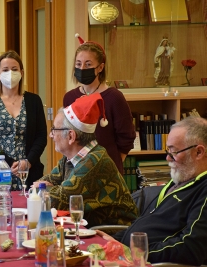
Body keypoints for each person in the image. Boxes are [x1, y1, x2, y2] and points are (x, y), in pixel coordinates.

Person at [97, 116, 207, 265]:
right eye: (167, 150)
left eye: (173, 152)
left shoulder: (203, 189)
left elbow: (191, 248)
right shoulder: (182, 180)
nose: (168, 158)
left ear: (199, 152)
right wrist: (113, 240)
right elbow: (148, 224)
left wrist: (131, 252)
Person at [34, 94, 138, 228]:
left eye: (54, 129)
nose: (51, 135)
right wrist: (47, 188)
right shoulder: (70, 158)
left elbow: (54, 201)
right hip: (90, 228)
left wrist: (46, 188)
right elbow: (41, 186)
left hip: (115, 233)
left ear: (71, 136)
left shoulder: (95, 162)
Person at [63, 33, 135, 175]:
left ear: (100, 67)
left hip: (107, 170)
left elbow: (126, 137)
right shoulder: (69, 97)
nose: (82, 68)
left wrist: (112, 163)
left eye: (88, 64)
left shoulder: (114, 97)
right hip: (76, 170)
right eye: (78, 64)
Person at [0, 50, 47, 190]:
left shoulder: (34, 101)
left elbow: (41, 136)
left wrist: (28, 162)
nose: (10, 73)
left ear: (21, 72)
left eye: (14, 69)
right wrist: (8, 162)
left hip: (29, 171)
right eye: (5, 70)